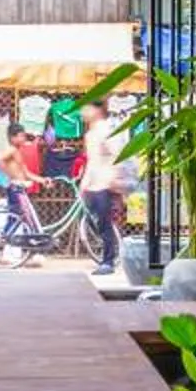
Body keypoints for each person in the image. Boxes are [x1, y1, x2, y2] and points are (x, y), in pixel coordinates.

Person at [76, 100, 125, 273]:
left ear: (97, 110)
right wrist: (85, 183)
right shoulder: (91, 134)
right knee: (95, 220)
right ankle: (106, 257)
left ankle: (108, 261)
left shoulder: (106, 130)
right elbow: (92, 161)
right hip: (94, 184)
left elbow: (116, 155)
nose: (83, 112)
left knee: (104, 223)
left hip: (105, 182)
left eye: (86, 107)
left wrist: (115, 180)